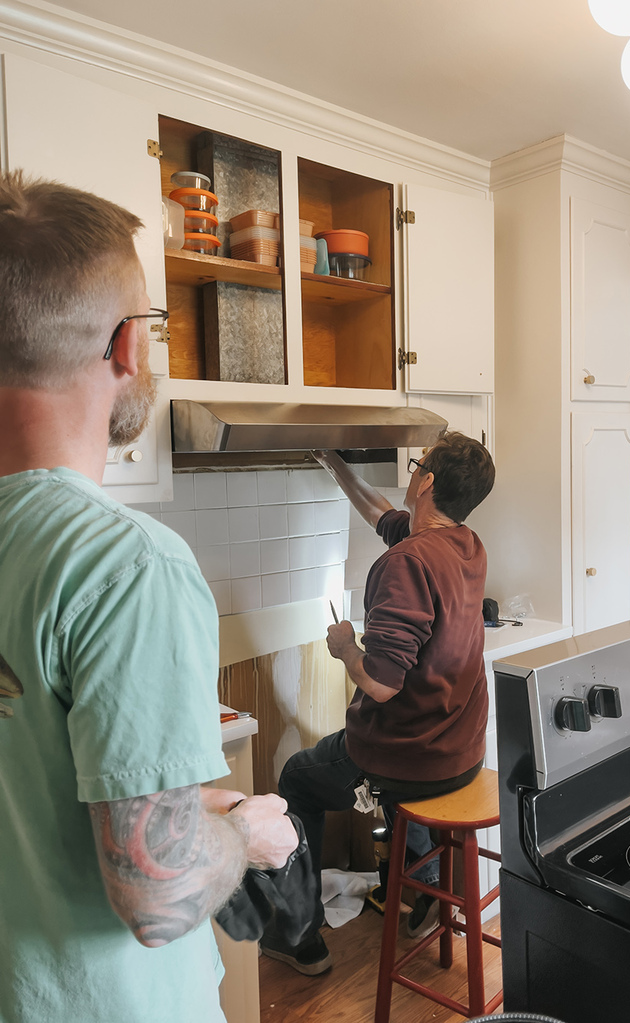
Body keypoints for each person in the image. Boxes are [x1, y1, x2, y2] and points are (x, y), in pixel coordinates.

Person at [0, 170, 298, 1023]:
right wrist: (249, 833)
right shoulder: (125, 564)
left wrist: (192, 808)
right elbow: (157, 895)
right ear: (127, 343)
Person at [261, 432, 496, 976]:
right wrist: (333, 461)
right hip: (460, 752)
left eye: (418, 465)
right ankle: (429, 890)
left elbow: (383, 685)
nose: (412, 472)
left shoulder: (407, 562)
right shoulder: (465, 542)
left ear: (428, 480)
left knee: (299, 777)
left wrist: (345, 649)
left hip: (406, 757)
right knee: (397, 790)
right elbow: (381, 512)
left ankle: (299, 937)